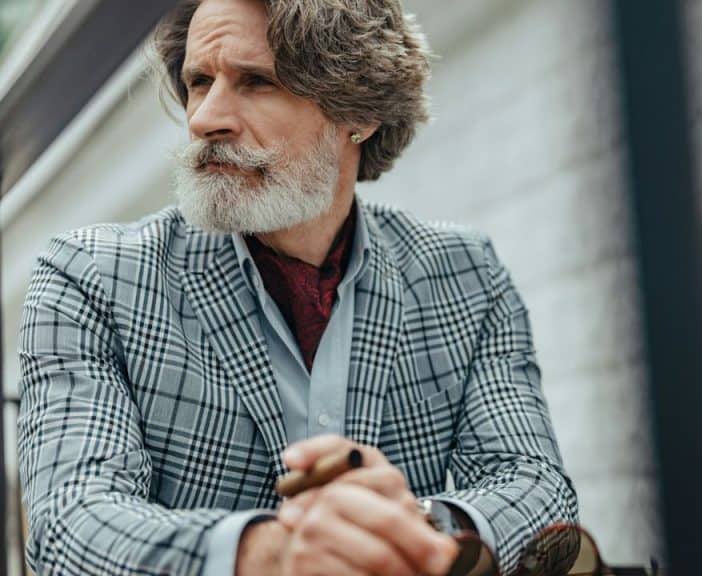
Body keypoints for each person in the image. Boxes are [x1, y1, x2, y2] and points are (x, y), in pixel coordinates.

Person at [16, 0, 578, 574]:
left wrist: (415, 530)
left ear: (359, 111)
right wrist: (270, 553)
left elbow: (536, 487)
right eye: (199, 82)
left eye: (257, 82)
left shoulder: (465, 273)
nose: (206, 118)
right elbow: (69, 522)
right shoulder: (90, 276)